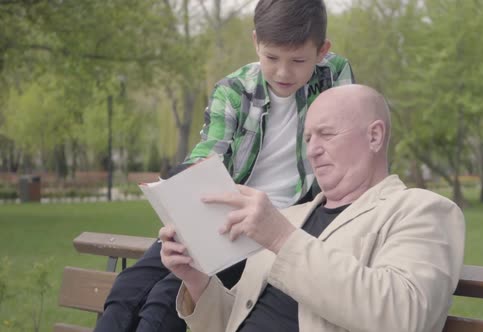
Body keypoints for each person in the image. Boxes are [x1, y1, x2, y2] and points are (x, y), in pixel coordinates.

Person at [94, 0, 354, 330]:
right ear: (255, 42)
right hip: (220, 216)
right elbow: (210, 150)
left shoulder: (335, 76)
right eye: (271, 58)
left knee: (165, 299)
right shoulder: (234, 89)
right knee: (127, 288)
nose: (283, 72)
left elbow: (347, 144)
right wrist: (191, 175)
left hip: (273, 227)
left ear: (321, 52)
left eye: (298, 60)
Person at [160, 85, 466, 332]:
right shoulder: (291, 217)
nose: (312, 150)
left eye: (327, 134)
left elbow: (403, 318)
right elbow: (233, 322)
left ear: (374, 136)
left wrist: (282, 238)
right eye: (307, 138)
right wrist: (197, 279)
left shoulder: (421, 211)